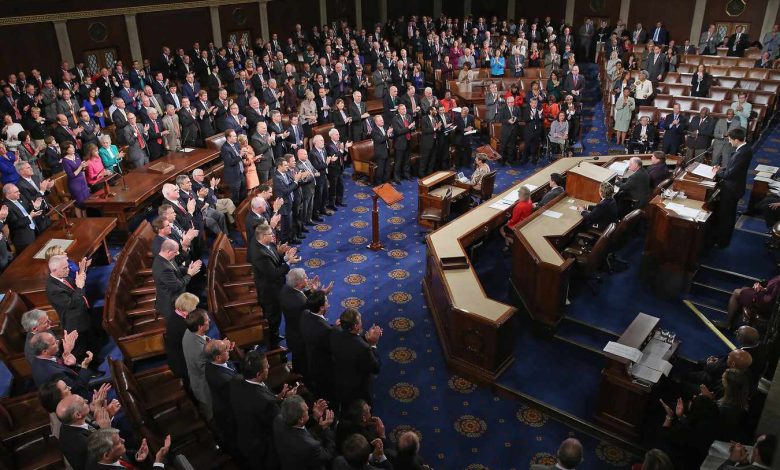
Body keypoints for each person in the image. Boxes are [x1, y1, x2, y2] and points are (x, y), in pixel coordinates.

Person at [230, 350, 294, 468]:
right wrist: (287, 401)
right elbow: (281, 424)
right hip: (265, 450)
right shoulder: (266, 403)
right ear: (258, 374)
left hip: (245, 439)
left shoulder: (236, 381)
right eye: (266, 366)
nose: (269, 366)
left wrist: (277, 397)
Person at [250, 223, 300, 345]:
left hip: (275, 286)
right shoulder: (259, 254)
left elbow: (275, 260)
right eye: (270, 234)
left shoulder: (268, 244)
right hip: (269, 291)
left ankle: (275, 335)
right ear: (262, 236)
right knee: (273, 317)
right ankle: (273, 345)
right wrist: (289, 263)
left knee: (276, 315)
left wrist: (285, 257)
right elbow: (274, 273)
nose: (273, 235)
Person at [330, 308, 382, 409]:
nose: (362, 322)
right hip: (358, 388)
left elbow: (350, 339)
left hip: (340, 381)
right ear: (356, 326)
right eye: (360, 321)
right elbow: (375, 367)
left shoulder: (335, 332)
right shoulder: (364, 348)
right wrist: (373, 344)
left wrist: (365, 338)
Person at [712, 128, 752, 247]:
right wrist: (721, 169)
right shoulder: (745, 149)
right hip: (734, 187)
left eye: (730, 139)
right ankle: (722, 238)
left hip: (731, 189)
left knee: (726, 216)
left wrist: (717, 172)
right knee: (728, 214)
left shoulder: (742, 153)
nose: (729, 141)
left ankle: (722, 242)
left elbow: (729, 174)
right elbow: (732, 167)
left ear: (736, 140)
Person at [273, 395, 336, 470]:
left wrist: (315, 418)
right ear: (301, 419)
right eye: (306, 410)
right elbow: (326, 456)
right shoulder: (311, 446)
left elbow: (301, 431)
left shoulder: (278, 420)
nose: (308, 408)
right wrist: (327, 429)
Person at [28, 331, 93, 398]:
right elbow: (78, 388)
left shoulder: (38, 360)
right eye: (54, 343)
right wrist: (84, 366)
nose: (58, 342)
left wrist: (71, 364)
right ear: (45, 352)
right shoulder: (52, 372)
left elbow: (65, 372)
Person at [153, 239, 201, 322]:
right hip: (172, 302)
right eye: (175, 252)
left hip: (175, 293)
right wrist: (189, 274)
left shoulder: (165, 257)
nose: (178, 253)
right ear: (168, 251)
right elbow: (177, 286)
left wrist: (189, 269)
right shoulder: (163, 268)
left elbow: (176, 269)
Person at [85, 427, 170, 469]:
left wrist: (137, 456)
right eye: (118, 442)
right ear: (106, 455)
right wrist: (159, 461)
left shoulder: (107, 457)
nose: (123, 440)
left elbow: (127, 455)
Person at [182, 308, 213, 420]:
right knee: (211, 415)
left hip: (196, 378)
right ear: (200, 327)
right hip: (205, 387)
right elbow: (209, 369)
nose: (209, 320)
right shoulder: (199, 351)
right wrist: (221, 350)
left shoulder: (189, 331)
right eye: (207, 320)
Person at [61, 141, 90, 216]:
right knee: (78, 203)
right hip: (74, 184)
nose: (73, 148)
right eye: (71, 147)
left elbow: (81, 169)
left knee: (85, 202)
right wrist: (81, 166)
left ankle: (86, 218)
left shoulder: (77, 155)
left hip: (82, 181)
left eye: (73, 147)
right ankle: (80, 220)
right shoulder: (65, 161)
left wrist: (84, 166)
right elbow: (71, 175)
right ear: (66, 150)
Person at [501, 186, 533, 251]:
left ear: (520, 194)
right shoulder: (530, 201)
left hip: (517, 226)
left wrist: (508, 223)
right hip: (525, 222)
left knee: (501, 229)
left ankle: (516, 244)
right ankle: (507, 245)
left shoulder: (519, 206)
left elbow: (514, 220)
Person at [220, 129, 246, 204]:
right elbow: (230, 162)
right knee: (236, 197)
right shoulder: (225, 148)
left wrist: (244, 154)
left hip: (241, 173)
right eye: (234, 136)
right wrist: (240, 155)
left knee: (243, 193)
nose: (236, 137)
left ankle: (243, 207)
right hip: (233, 177)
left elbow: (240, 155)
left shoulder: (236, 144)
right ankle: (237, 210)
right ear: (228, 138)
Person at [522, 98, 543, 164]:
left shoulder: (539, 110)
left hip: (536, 132)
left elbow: (542, 119)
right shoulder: (526, 110)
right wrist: (531, 117)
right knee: (527, 146)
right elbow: (525, 120)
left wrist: (540, 115)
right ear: (530, 103)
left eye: (535, 103)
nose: (534, 104)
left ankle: (533, 159)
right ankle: (524, 159)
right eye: (533, 103)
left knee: (534, 146)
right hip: (528, 132)